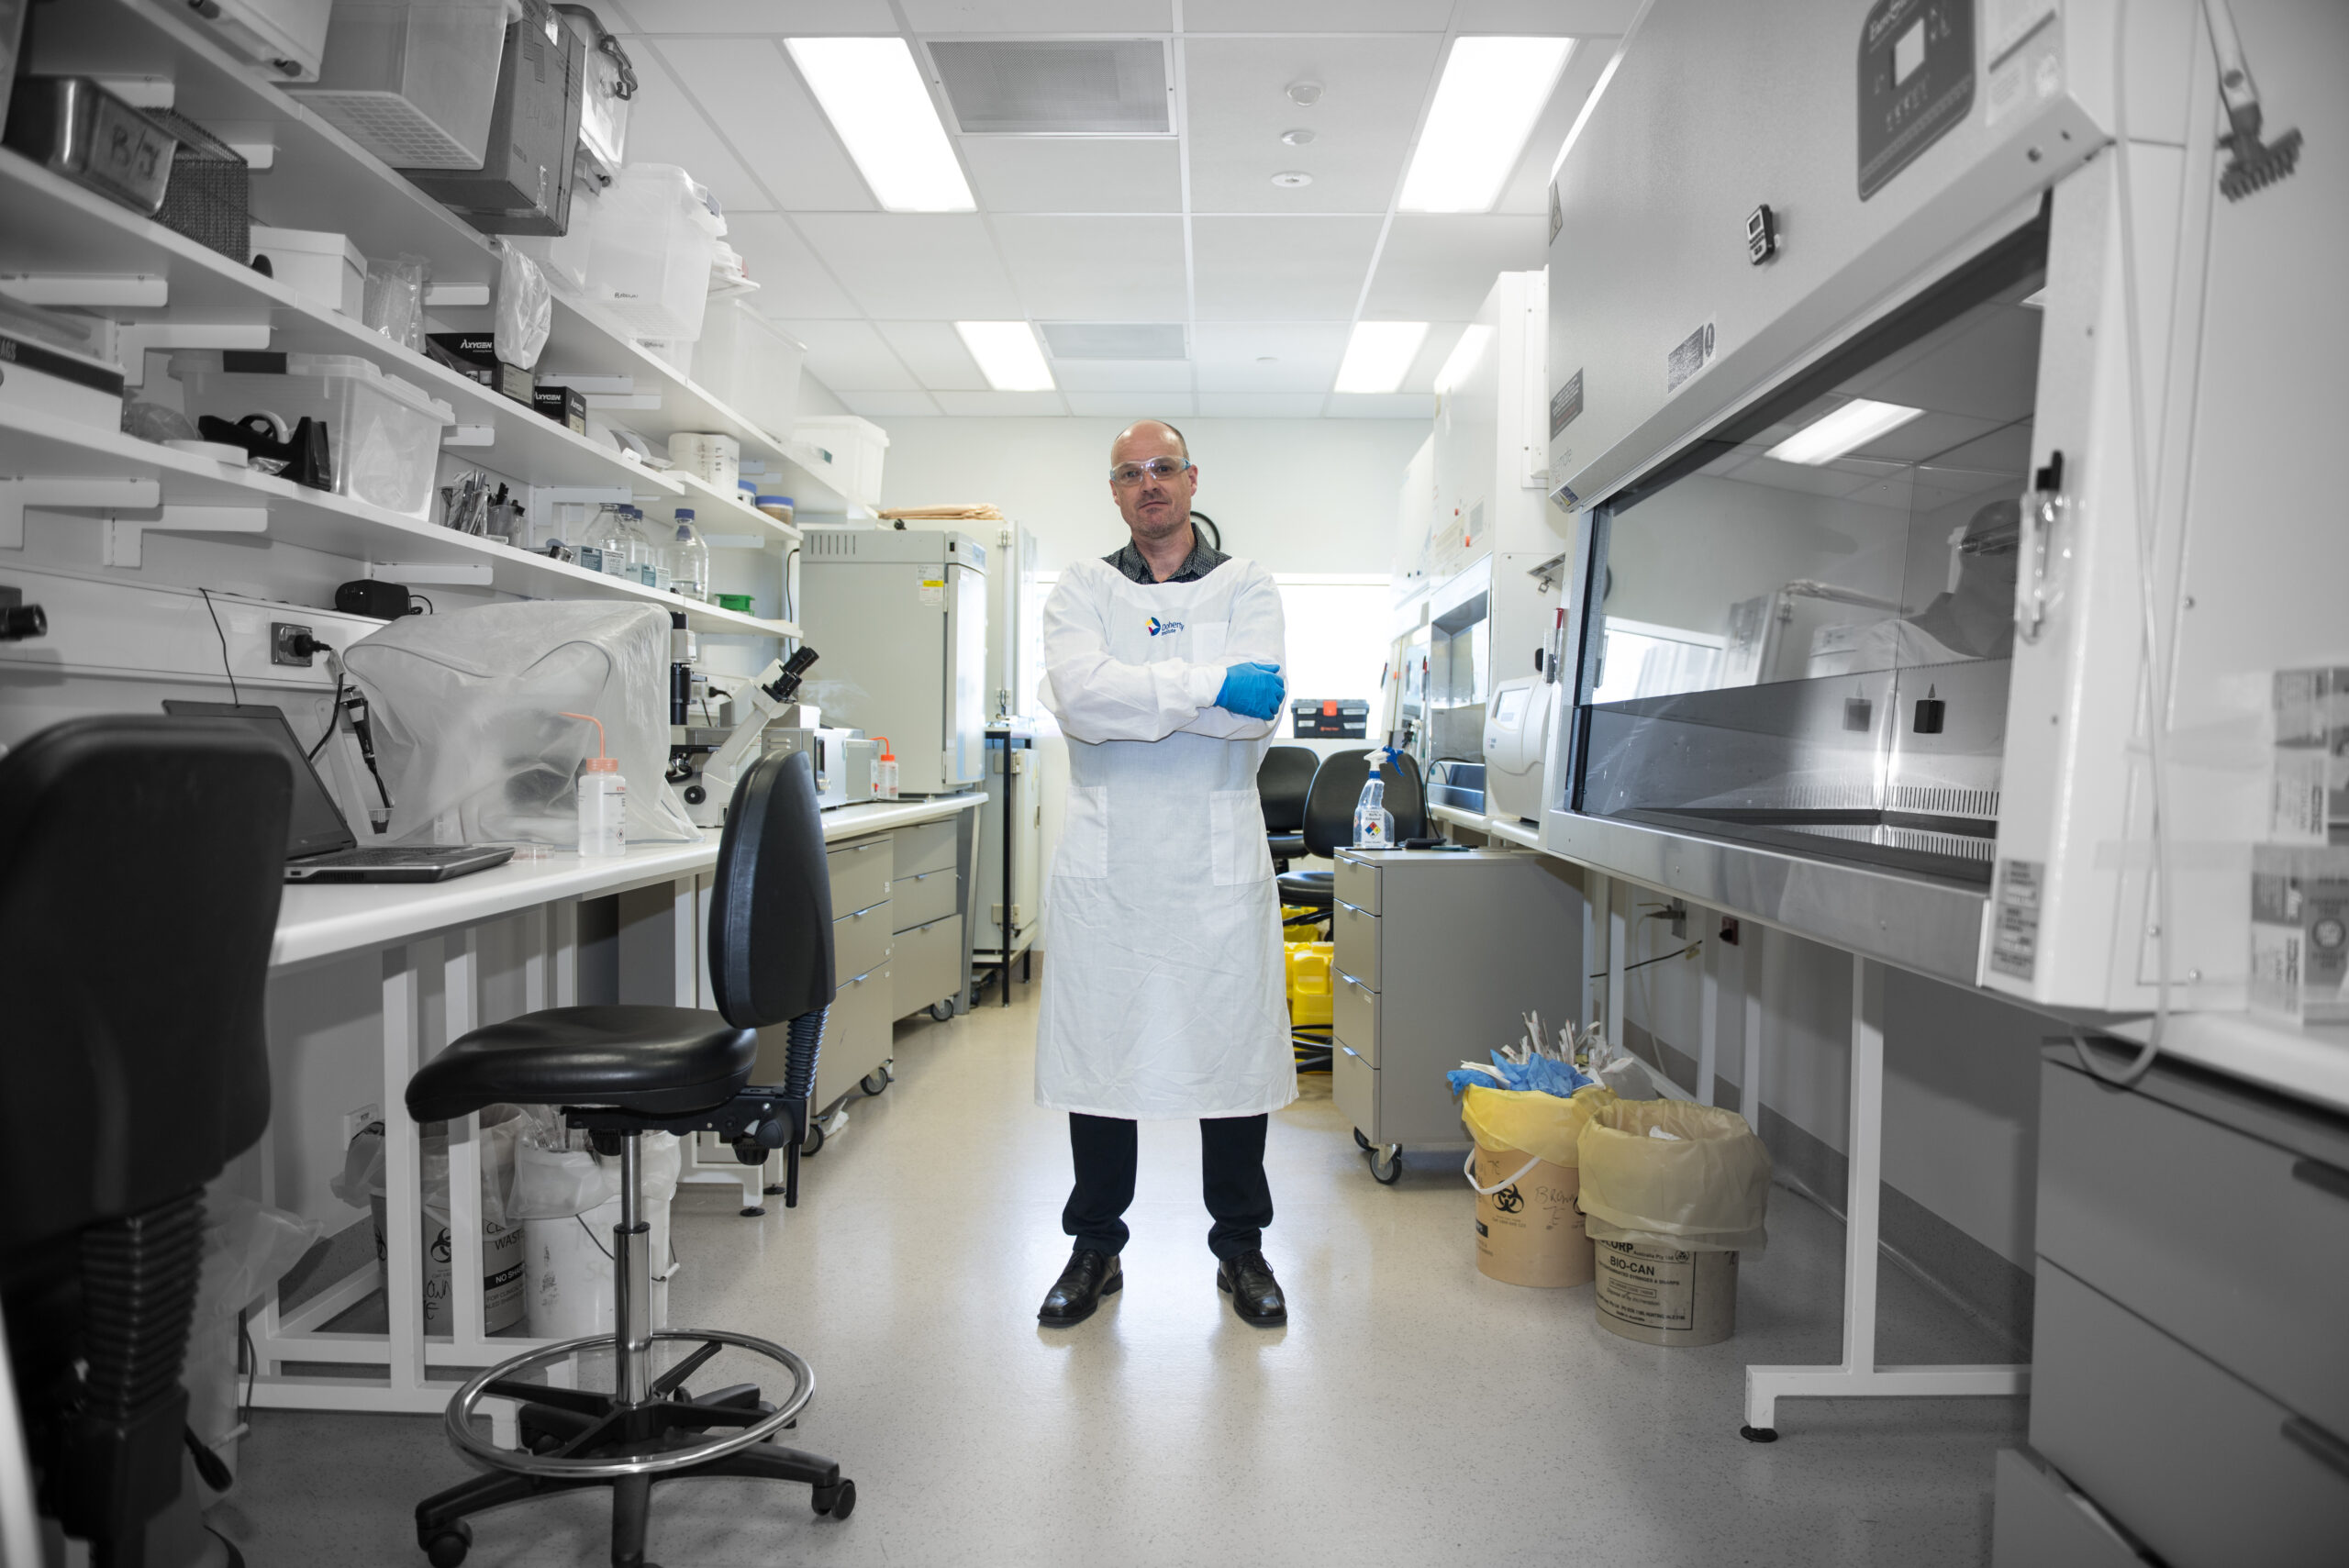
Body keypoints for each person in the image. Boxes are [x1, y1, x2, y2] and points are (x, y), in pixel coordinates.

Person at [1030, 418, 1295, 1329]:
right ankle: (1094, 1244)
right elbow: (1081, 701)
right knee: (1103, 1056)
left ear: (1191, 479)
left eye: (1164, 468)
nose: (1150, 484)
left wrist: (1153, 690)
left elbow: (1250, 717)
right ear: (1114, 491)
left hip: (1214, 858)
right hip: (1112, 863)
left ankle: (1243, 1248)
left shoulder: (1247, 583)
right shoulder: (1081, 587)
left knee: (1231, 1056)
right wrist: (1207, 685)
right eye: (1130, 472)